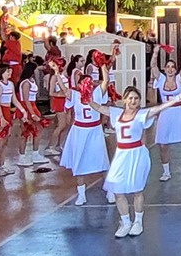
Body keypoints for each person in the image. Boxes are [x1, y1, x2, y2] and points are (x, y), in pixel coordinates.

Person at [103, 86, 157, 238]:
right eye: (130, 98)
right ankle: (125, 221)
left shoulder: (141, 114)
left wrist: (175, 99)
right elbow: (100, 108)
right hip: (121, 155)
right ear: (125, 99)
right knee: (118, 191)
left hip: (137, 154)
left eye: (136, 98)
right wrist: (86, 98)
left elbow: (157, 109)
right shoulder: (116, 113)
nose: (133, 101)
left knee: (136, 190)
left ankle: (138, 221)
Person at [59, 73, 110, 208]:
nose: (88, 84)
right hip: (80, 131)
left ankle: (110, 190)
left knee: (102, 160)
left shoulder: (97, 93)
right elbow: (63, 88)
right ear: (80, 84)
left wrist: (103, 64)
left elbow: (106, 80)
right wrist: (57, 72)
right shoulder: (75, 95)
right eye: (85, 82)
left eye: (90, 82)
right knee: (79, 162)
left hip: (94, 130)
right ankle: (81, 194)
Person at [151, 53, 181, 185]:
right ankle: (166, 171)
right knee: (163, 145)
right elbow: (153, 65)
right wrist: (156, 53)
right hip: (165, 114)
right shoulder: (161, 79)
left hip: (178, 113)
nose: (170, 69)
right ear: (165, 68)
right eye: (168, 66)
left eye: (172, 67)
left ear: (175, 69)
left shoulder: (180, 78)